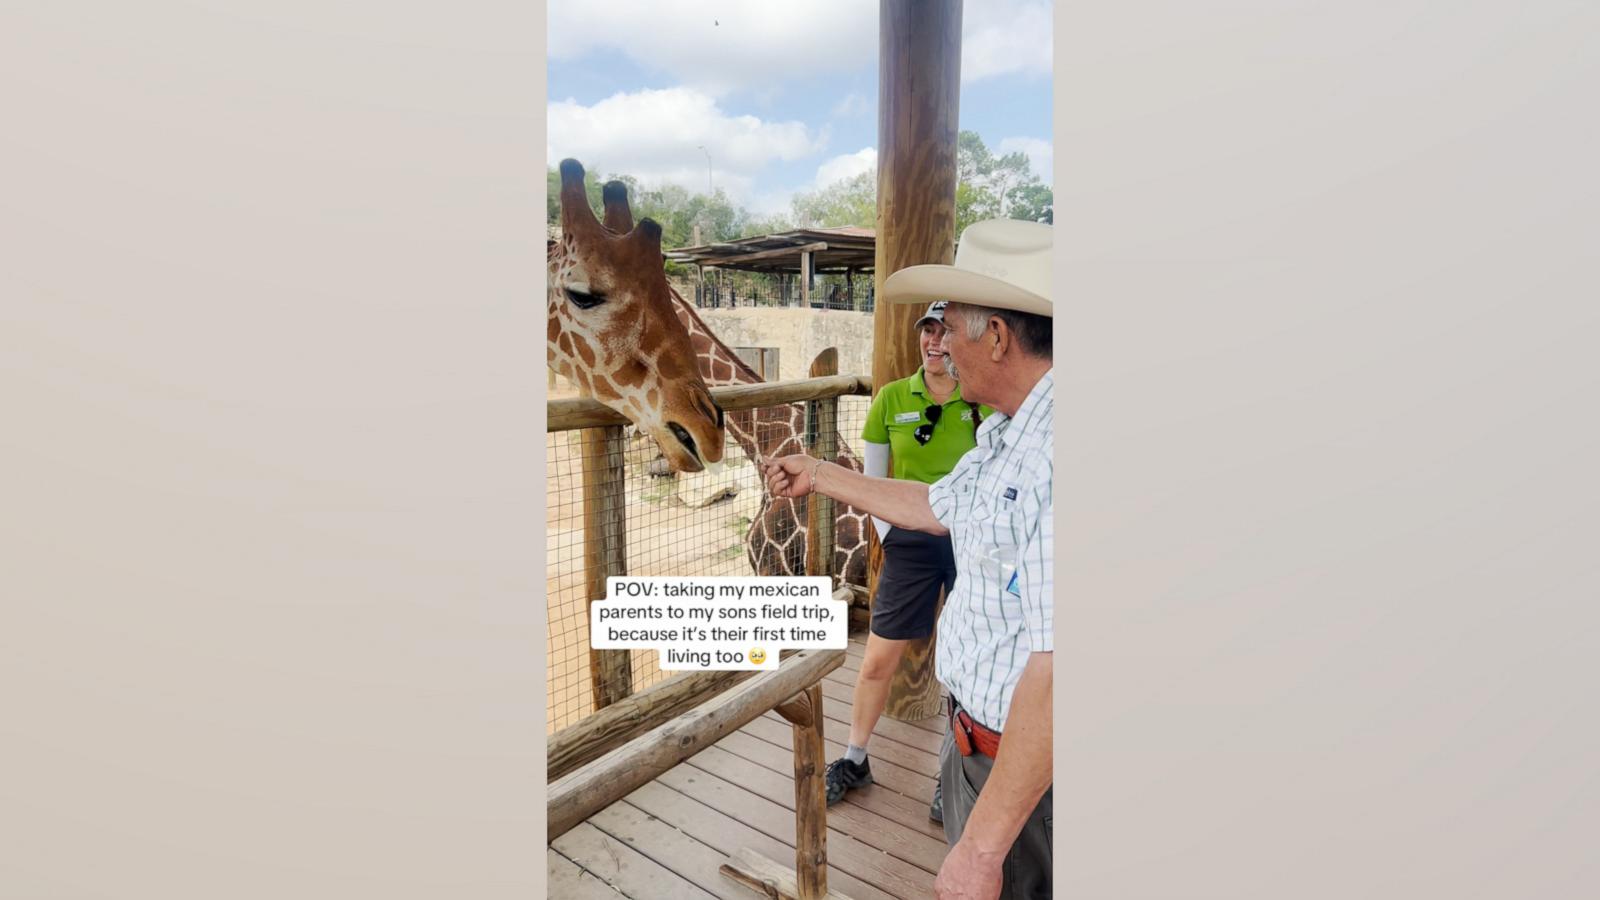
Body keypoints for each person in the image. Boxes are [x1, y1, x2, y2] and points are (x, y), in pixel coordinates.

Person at [764, 219, 1053, 900]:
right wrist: (820, 474)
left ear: (997, 337)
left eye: (950, 328)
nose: (941, 344)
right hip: (976, 743)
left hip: (1024, 772)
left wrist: (983, 849)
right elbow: (936, 503)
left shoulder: (1055, 456)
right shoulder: (1010, 434)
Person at [823, 301, 989, 824]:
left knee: (966, 664)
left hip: (973, 539)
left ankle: (951, 778)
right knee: (877, 659)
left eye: (945, 331)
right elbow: (874, 481)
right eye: (928, 331)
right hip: (911, 543)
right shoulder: (893, 397)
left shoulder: (979, 395)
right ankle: (855, 759)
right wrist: (893, 534)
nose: (934, 341)